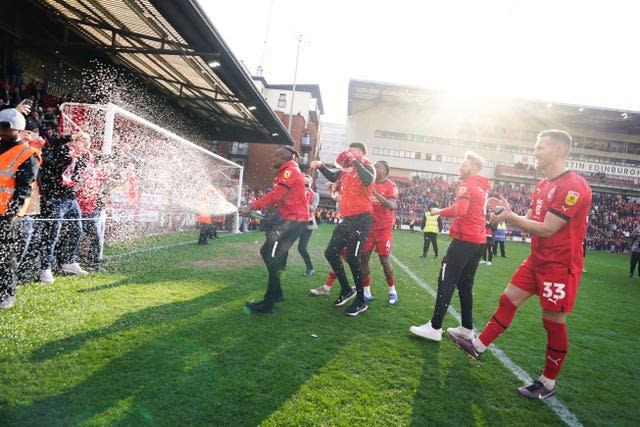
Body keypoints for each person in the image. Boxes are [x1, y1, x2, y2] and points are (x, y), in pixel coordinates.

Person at [450, 130, 592, 400]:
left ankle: (547, 383)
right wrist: (507, 211)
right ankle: (478, 346)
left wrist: (511, 217)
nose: (534, 152)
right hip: (536, 260)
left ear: (558, 151)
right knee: (508, 299)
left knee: (552, 322)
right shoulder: (542, 185)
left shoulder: (573, 186)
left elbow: (548, 228)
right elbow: (530, 217)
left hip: (559, 267)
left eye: (540, 147)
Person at [410, 151, 489, 341]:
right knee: (465, 285)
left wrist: (439, 211)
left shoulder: (468, 185)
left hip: (464, 241)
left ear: (474, 168)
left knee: (446, 281)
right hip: (478, 242)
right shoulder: (483, 187)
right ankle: (466, 328)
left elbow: (460, 210)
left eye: (464, 164)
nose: (460, 167)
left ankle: (435, 328)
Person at [239, 146, 308, 314]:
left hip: (292, 222)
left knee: (273, 257)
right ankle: (277, 293)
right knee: (268, 253)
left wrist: (252, 205)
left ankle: (268, 304)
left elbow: (276, 194)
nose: (272, 159)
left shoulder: (289, 171)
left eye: (275, 157)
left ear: (284, 158)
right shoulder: (288, 171)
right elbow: (280, 199)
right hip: (292, 221)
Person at [310, 141, 376, 316]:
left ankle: (361, 301)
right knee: (331, 252)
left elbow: (368, 179)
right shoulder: (346, 172)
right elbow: (333, 177)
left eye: (351, 151)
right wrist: (320, 166)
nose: (348, 153)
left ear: (360, 152)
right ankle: (347, 289)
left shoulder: (369, 166)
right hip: (347, 218)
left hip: (362, 218)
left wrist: (355, 161)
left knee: (354, 258)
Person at [38, 128, 92, 283]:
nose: (85, 146)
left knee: (77, 230)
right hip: (56, 198)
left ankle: (68, 262)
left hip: (71, 199)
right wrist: (68, 156)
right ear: (74, 141)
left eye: (87, 144)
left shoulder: (83, 158)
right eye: (82, 142)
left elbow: (76, 177)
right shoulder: (61, 150)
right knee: (52, 233)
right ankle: (45, 267)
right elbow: (50, 157)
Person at [0, 107, 39, 309]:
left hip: (5, 215)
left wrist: (12, 214)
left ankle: (7, 293)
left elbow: (24, 189)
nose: (1, 133)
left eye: (5, 129)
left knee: (5, 256)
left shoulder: (27, 154)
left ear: (16, 130)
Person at [360, 161, 399, 304]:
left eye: (378, 167)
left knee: (384, 260)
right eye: (374, 167)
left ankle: (392, 290)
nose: (375, 169)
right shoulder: (369, 182)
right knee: (363, 257)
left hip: (384, 229)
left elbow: (392, 205)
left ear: (386, 170)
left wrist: (375, 193)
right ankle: (366, 291)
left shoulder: (391, 186)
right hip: (369, 228)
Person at [298, 174, 319, 276]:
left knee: (301, 248)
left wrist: (304, 200)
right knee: (285, 243)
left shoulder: (315, 195)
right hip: (295, 222)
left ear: (311, 183)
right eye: (303, 182)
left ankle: (310, 268)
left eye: (307, 182)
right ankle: (281, 265)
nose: (305, 184)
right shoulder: (297, 192)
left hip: (308, 223)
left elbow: (313, 209)